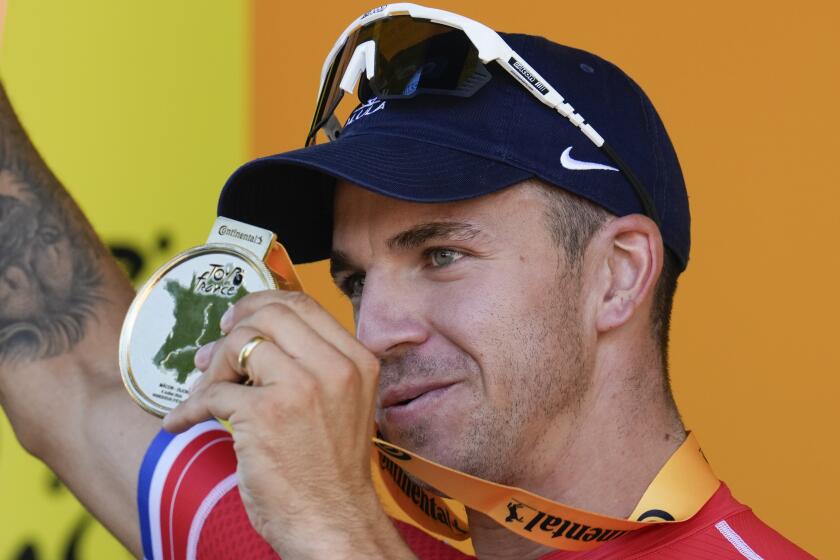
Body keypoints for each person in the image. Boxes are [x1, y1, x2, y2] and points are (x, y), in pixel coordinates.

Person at [0, 5, 816, 559]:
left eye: (440, 255)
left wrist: (336, 529)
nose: (376, 330)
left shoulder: (322, 528)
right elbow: (68, 365)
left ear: (617, 275)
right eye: (354, 281)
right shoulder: (287, 523)